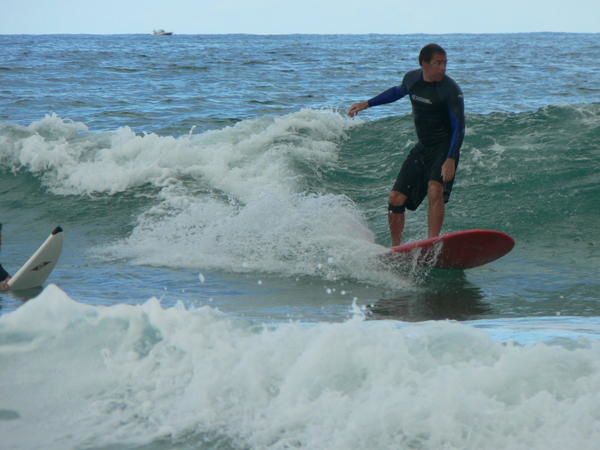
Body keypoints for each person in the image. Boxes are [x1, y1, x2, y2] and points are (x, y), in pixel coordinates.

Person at [348, 43, 465, 246]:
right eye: (438, 63)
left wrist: (451, 158)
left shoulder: (450, 89)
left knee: (434, 189)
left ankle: (432, 242)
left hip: (444, 147)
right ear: (424, 64)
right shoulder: (412, 79)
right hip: (424, 147)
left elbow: (459, 126)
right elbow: (397, 92)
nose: (443, 68)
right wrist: (368, 103)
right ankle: (396, 249)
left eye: (445, 63)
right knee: (395, 198)